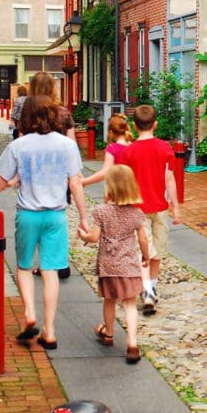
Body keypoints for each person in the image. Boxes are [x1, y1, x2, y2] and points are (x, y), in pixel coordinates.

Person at [0, 95, 88, 350]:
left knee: (24, 267)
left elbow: (0, 184)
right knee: (50, 272)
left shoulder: (19, 146)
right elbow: (75, 182)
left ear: (25, 117)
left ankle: (29, 313)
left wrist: (14, 181)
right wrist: (83, 217)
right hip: (56, 215)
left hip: (27, 214)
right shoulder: (66, 146)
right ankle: (49, 331)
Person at [76, 164, 149, 364]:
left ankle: (108, 333)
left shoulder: (101, 211)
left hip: (108, 265)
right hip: (129, 266)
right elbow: (143, 239)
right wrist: (145, 256)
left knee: (109, 300)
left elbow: (94, 237)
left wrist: (84, 235)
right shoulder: (136, 213)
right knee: (130, 303)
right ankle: (132, 342)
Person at [117, 105, 180, 316]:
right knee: (157, 252)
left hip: (137, 209)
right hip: (160, 206)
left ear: (133, 126)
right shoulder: (164, 148)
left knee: (143, 252)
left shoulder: (128, 152)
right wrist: (176, 207)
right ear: (156, 124)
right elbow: (169, 179)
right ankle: (151, 289)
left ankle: (147, 292)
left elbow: (124, 183)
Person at [27, 71, 76, 280]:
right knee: (58, 216)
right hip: (59, 172)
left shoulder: (28, 113)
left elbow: (22, 142)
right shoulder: (63, 113)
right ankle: (61, 261)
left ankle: (45, 262)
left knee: (37, 216)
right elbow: (72, 143)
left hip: (35, 172)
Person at [83, 114, 134, 187]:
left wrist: (83, 181)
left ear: (111, 132)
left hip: (117, 189)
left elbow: (104, 172)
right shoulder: (132, 146)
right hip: (133, 189)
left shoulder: (112, 149)